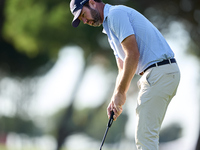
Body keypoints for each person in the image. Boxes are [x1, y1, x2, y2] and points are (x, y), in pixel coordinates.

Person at [70, 0, 181, 149]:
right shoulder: (108, 27)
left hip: (159, 72)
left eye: (83, 14)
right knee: (145, 136)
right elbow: (122, 67)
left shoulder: (116, 14)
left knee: (145, 137)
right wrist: (115, 97)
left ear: (92, 2)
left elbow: (133, 55)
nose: (84, 21)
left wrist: (121, 93)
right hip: (159, 73)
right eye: (81, 19)